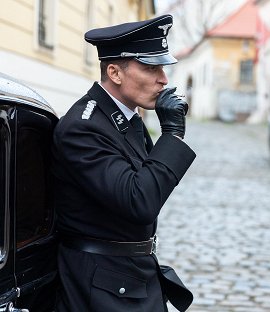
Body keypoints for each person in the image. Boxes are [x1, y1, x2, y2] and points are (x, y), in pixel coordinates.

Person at [51, 14, 195, 312]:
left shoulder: (125, 118)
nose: (163, 79)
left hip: (130, 275)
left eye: (163, 68)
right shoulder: (84, 127)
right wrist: (172, 134)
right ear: (115, 73)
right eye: (150, 67)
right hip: (102, 285)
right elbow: (139, 200)